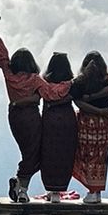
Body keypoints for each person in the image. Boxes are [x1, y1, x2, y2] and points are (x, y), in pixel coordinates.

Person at [0, 16, 72, 203]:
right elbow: (51, 94)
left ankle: (21, 185)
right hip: (31, 118)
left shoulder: (9, 75)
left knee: (27, 151)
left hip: (14, 117)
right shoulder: (35, 79)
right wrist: (71, 84)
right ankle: (21, 188)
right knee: (34, 154)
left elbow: (2, 55)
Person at [70, 53, 108, 204]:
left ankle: (91, 191)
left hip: (86, 123)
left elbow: (78, 102)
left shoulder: (80, 82)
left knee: (87, 155)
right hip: (103, 124)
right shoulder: (107, 81)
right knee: (100, 157)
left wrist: (94, 108)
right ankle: (96, 191)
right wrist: (101, 112)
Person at [39, 51, 77, 200]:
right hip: (68, 121)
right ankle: (59, 189)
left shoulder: (43, 83)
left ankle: (51, 190)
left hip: (50, 120)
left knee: (49, 153)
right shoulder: (71, 84)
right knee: (65, 153)